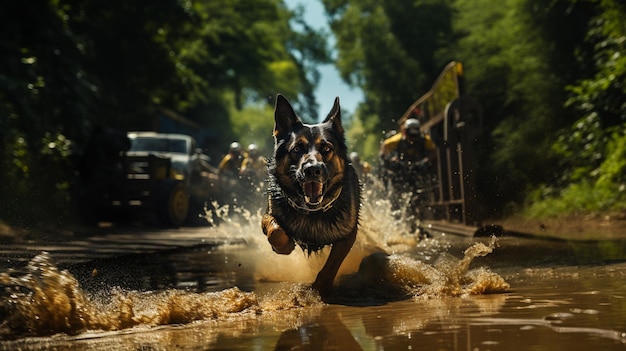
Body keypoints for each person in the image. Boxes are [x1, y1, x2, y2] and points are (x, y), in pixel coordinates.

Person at [379, 118, 437, 213]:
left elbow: (434, 151)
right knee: (396, 192)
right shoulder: (397, 139)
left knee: (420, 191)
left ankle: (418, 210)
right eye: (410, 134)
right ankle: (396, 209)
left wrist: (425, 161)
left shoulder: (424, 139)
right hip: (399, 169)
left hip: (416, 169)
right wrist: (390, 159)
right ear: (405, 131)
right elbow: (384, 147)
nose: (412, 138)